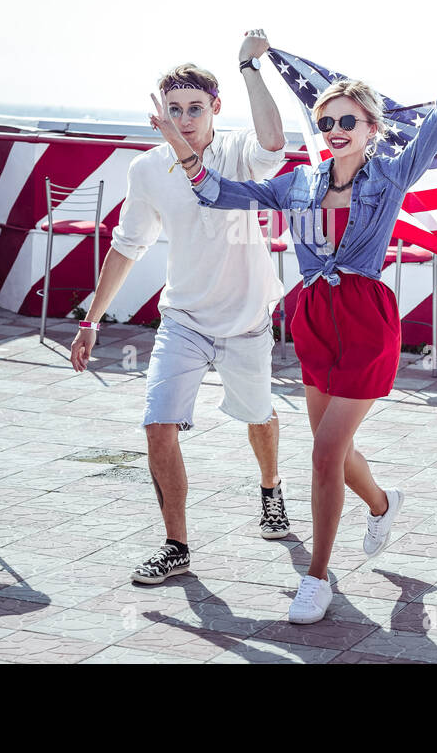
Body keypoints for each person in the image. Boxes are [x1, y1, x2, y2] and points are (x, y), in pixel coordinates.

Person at [150, 7, 437, 622]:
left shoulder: (391, 175)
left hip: (367, 318)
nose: (335, 128)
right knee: (335, 448)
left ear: (372, 128)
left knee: (323, 454)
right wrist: (177, 142)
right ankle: (382, 505)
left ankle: (317, 578)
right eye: (326, 121)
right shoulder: (296, 184)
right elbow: (216, 194)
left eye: (347, 120)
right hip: (314, 319)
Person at [69, 31, 293, 585]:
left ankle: (270, 489)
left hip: (245, 319)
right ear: (159, 111)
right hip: (184, 321)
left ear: (215, 108)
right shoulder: (146, 171)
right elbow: (127, 246)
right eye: (174, 109)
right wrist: (90, 322)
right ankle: (177, 544)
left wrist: (248, 66)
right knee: (157, 427)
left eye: (195, 108)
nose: (185, 117)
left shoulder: (238, 152)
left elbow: (275, 142)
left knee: (259, 416)